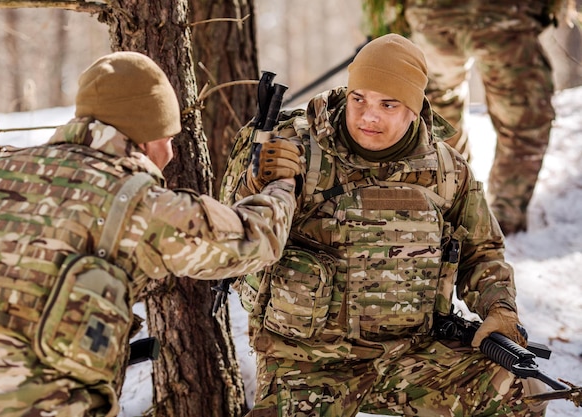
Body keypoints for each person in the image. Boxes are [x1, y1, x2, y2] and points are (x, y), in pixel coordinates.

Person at [0, 51, 303, 417]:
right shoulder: (140, 204)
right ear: (148, 137)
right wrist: (282, 182)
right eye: (169, 137)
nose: (170, 152)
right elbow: (256, 239)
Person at [221, 34, 548, 417]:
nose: (368, 115)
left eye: (387, 104)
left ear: (413, 108)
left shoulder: (446, 170)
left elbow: (482, 251)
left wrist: (500, 307)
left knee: (521, 390)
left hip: (411, 356)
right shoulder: (293, 149)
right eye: (359, 98)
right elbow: (231, 240)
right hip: (306, 362)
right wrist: (258, 184)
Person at [400, 0, 558, 235]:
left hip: (433, 16)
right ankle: (503, 220)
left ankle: (452, 201)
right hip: (503, 17)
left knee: (436, 107)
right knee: (524, 122)